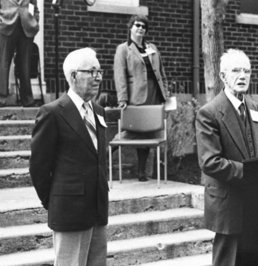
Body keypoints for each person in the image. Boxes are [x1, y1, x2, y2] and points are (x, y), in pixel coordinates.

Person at [195, 49, 258, 266]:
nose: (242, 76)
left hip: (254, 201)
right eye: (236, 71)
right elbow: (210, 162)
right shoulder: (209, 113)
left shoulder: (254, 107)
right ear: (222, 76)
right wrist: (252, 172)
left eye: (247, 71)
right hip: (228, 203)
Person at [29, 47, 109, 266]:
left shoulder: (99, 111)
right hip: (69, 211)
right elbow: (39, 167)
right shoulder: (52, 113)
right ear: (74, 76)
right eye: (92, 71)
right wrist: (55, 200)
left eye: (99, 71)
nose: (98, 77)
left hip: (97, 208)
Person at [113, 14, 168, 182]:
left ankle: (142, 171)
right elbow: (119, 75)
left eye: (143, 26)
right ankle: (106, 155)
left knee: (150, 132)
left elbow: (161, 73)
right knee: (135, 131)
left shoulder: (152, 47)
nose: (140, 29)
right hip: (136, 95)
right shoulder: (123, 49)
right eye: (137, 25)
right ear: (130, 27)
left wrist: (166, 93)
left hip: (154, 93)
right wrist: (122, 99)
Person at [0, 0, 39, 107]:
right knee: (3, 62)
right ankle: (1, 98)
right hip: (5, 25)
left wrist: (36, 20)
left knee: (25, 64)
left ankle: (27, 99)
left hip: (26, 25)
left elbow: (34, 5)